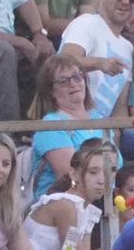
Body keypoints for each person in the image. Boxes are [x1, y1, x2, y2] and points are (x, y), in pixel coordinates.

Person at [60, 0, 134, 117]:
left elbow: (120, 107)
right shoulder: (87, 23)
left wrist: (115, 138)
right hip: (68, 127)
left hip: (102, 135)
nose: (126, 1)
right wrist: (99, 63)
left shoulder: (128, 47)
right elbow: (61, 63)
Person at [29, 53, 109, 198]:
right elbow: (71, 177)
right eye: (63, 81)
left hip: (102, 202)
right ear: (51, 91)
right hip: (62, 208)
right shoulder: (51, 126)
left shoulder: (99, 118)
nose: (73, 84)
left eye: (77, 77)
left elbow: (115, 166)